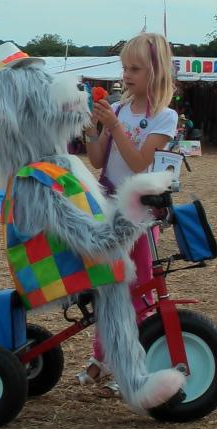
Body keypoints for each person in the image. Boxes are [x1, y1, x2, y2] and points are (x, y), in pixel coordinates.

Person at [78, 32, 178, 396]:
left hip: (137, 215)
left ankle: (130, 367)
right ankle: (103, 359)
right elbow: (98, 160)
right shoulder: (118, 108)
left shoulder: (164, 117)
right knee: (107, 287)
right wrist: (94, 130)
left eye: (135, 68)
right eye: (124, 67)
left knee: (135, 292)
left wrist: (115, 127)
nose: (127, 74)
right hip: (108, 208)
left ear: (156, 71)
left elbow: (139, 163)